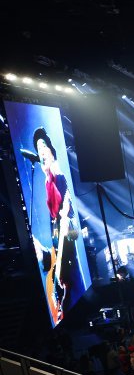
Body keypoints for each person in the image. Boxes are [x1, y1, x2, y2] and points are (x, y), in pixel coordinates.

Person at [30, 126, 78, 324]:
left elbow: (66, 204)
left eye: (43, 146)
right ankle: (59, 309)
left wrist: (65, 210)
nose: (41, 151)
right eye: (38, 148)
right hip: (56, 228)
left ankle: (62, 310)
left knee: (62, 279)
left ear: (51, 150)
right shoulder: (46, 177)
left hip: (65, 228)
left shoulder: (57, 172)